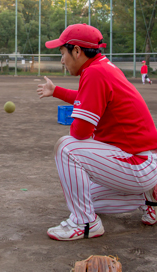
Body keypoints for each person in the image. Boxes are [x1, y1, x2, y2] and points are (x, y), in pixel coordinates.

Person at [37, 23, 157, 241]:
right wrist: (57, 92)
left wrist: (81, 115)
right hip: (145, 161)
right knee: (85, 196)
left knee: (67, 147)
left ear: (77, 51)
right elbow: (89, 97)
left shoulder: (94, 73)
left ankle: (85, 223)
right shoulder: (102, 67)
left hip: (137, 164)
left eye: (62, 52)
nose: (62, 59)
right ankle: (150, 199)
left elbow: (80, 132)